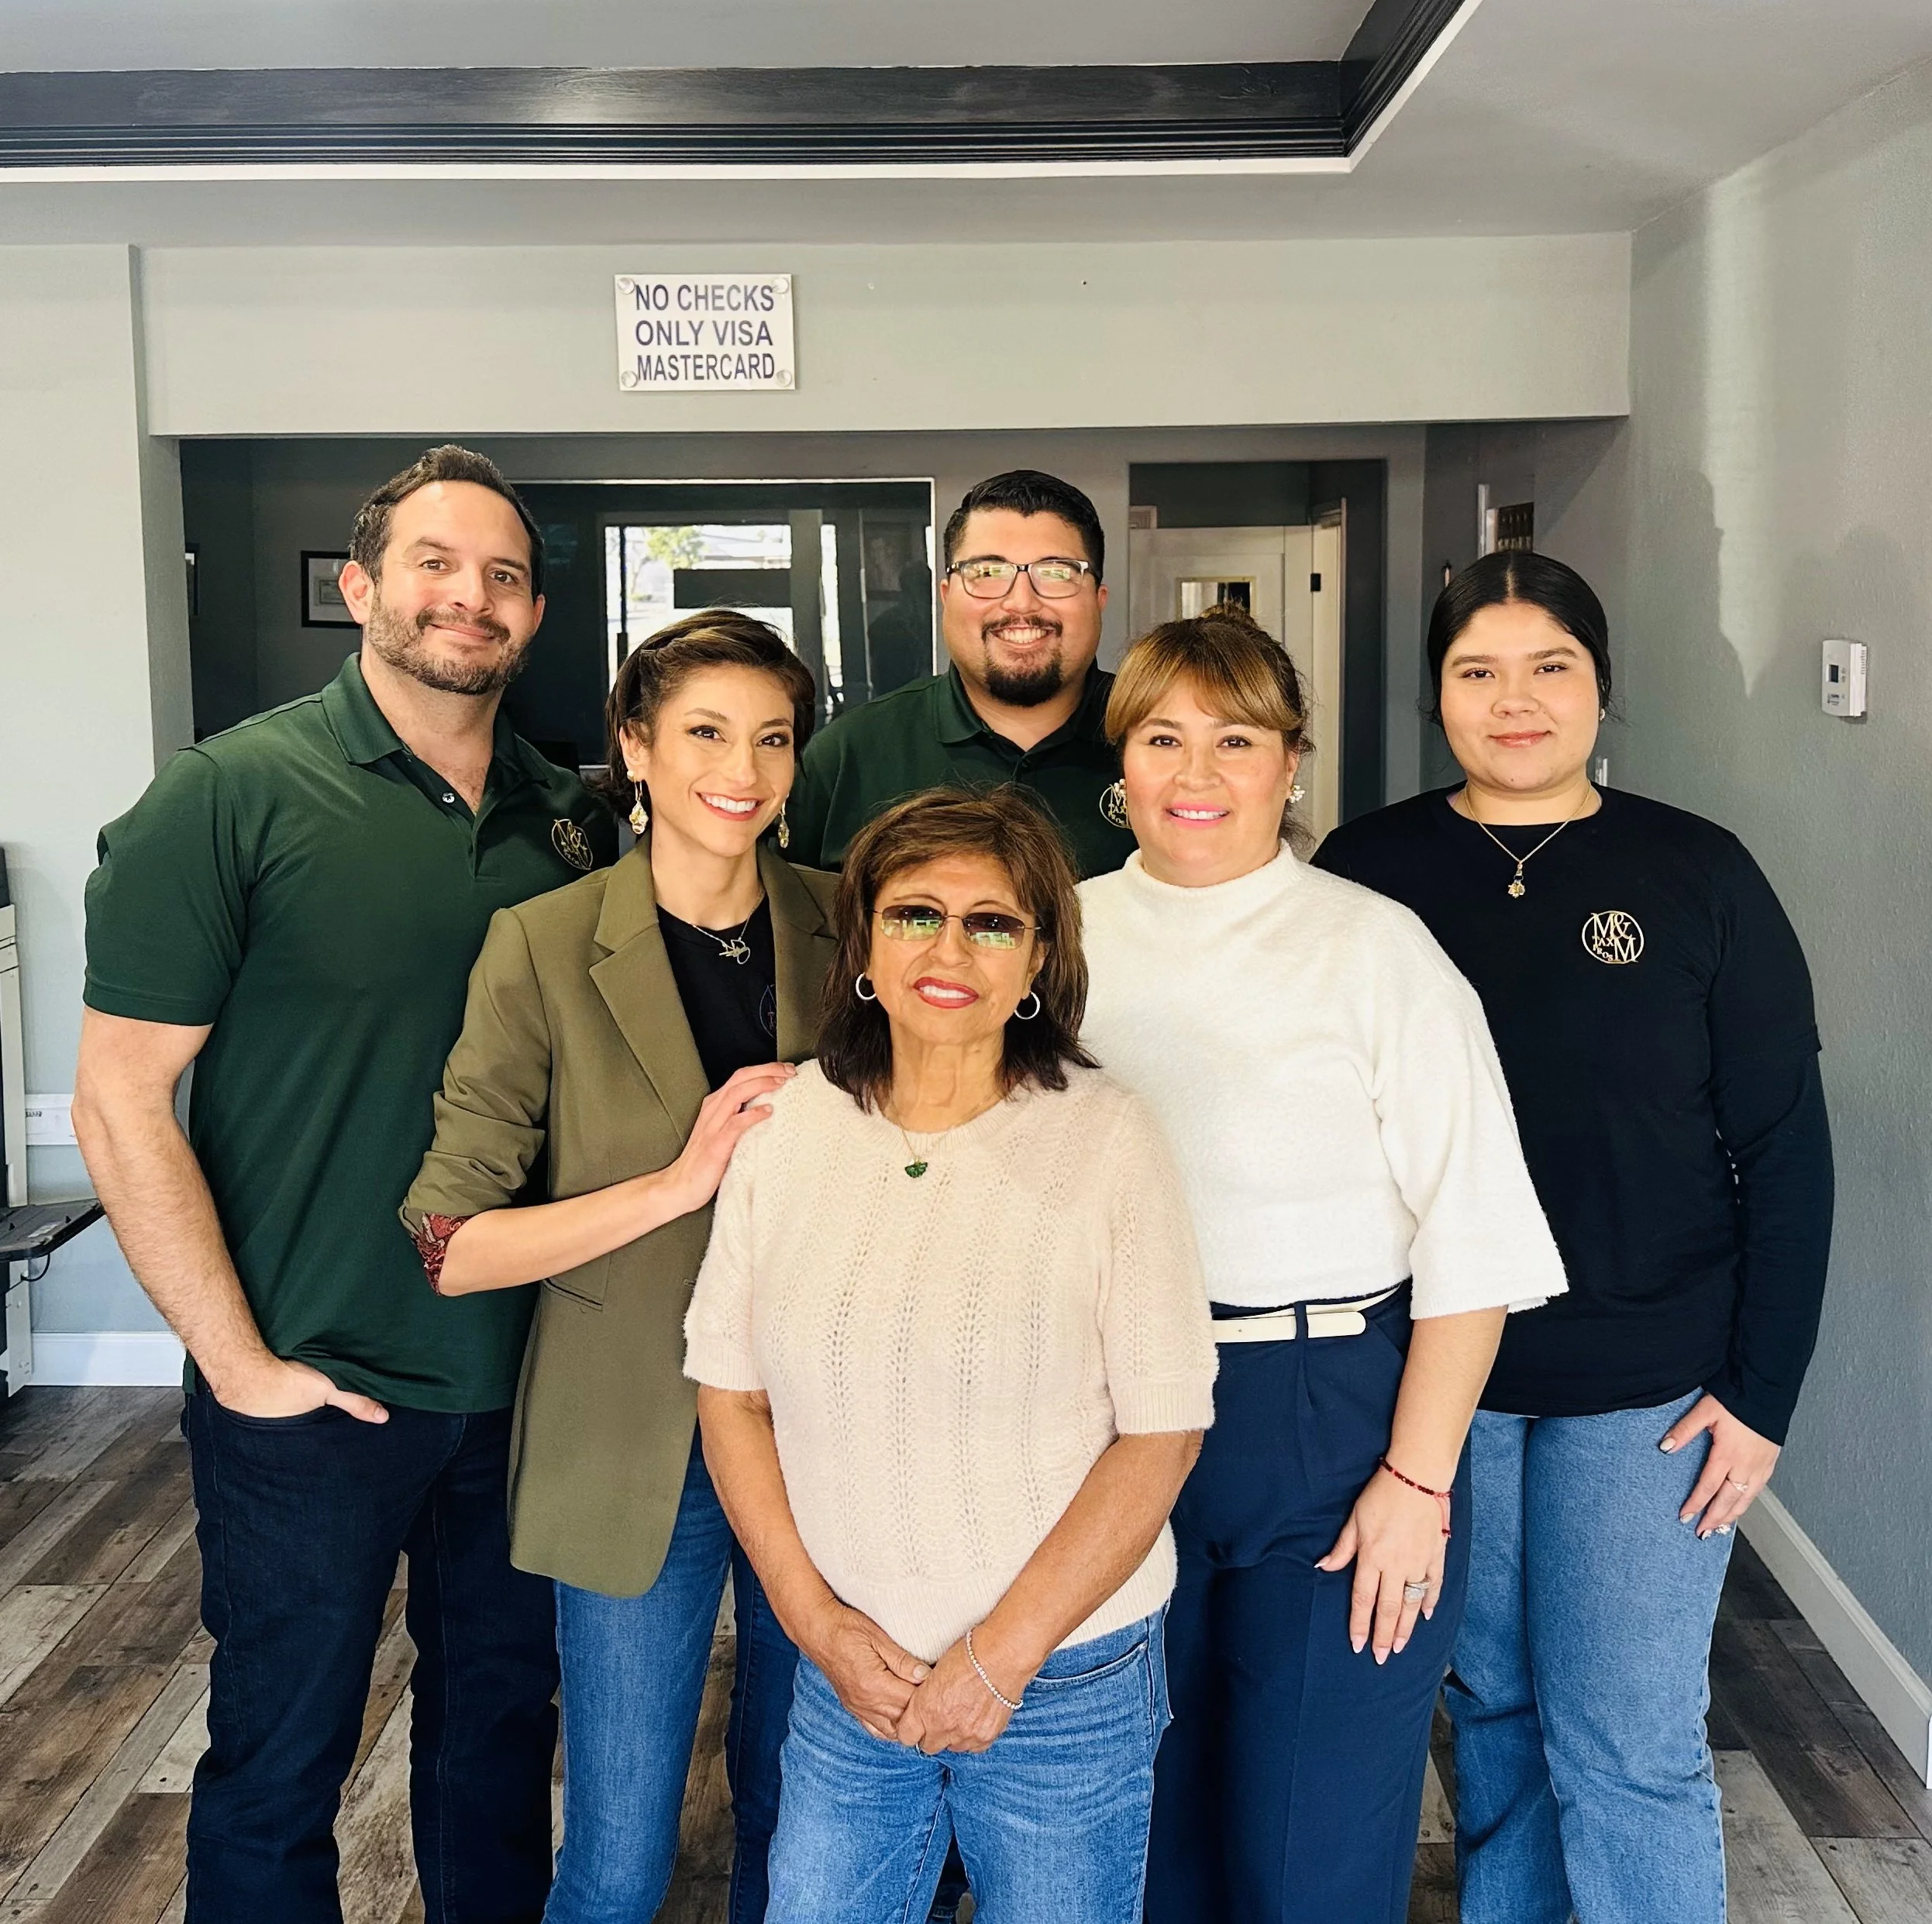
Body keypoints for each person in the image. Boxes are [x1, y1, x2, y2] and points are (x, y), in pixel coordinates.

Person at [71, 446, 614, 1924]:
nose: (471, 595)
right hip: (307, 1378)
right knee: (278, 1752)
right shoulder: (229, 793)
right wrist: (236, 1362)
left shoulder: (574, 818)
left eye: (503, 573)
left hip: (518, 1372)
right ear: (362, 589)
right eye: (436, 562)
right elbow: (118, 1098)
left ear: (533, 615)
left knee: (501, 1733)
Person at [1314, 551, 1834, 1924]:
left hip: (1651, 1385)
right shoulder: (1370, 869)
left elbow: (1782, 1147)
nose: (1515, 699)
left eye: (1549, 665)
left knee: (1627, 1739)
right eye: (1476, 670)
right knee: (1492, 1708)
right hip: (1444, 1379)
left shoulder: (1695, 870)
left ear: (1600, 684)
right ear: (1436, 696)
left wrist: (1757, 1393)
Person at [1077, 606, 1568, 1924]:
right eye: (1161, 735)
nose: (1194, 772)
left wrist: (1415, 1477)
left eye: (1233, 738)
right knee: (1135, 1824)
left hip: (1327, 1415)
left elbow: (1473, 1243)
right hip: (1094, 1407)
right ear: (1116, 761)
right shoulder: (1053, 939)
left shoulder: (1375, 949)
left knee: (1313, 1850)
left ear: (1289, 762)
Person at [686, 789, 1217, 1924]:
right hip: (848, 1678)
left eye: (992, 923)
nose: (949, 948)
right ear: (865, 942)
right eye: (915, 912)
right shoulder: (786, 1129)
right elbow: (727, 1395)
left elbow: (1166, 1428)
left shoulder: (1109, 1134)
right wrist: (812, 1622)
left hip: (1064, 1679)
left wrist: (1000, 1659)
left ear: (1036, 961)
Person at [399, 610, 836, 1924]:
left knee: (801, 1814)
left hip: (831, 1433)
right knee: (618, 1846)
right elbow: (449, 1243)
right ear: (634, 747)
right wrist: (675, 1180)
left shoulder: (848, 916)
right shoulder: (540, 942)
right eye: (704, 730)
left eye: (771, 737)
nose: (742, 768)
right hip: (628, 1434)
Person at [787, 470, 1132, 879]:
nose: (1021, 603)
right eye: (987, 573)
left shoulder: (1166, 741)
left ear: (1098, 599)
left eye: (1056, 573)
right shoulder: (847, 758)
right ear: (947, 597)